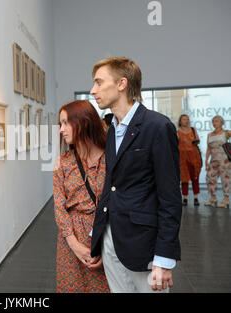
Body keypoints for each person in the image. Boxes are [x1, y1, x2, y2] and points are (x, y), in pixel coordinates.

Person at [89, 57, 182, 293]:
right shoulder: (112, 129)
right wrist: (99, 234)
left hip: (144, 244)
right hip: (111, 239)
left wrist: (164, 257)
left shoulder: (157, 127)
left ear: (121, 83)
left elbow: (170, 197)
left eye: (99, 83)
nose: (93, 90)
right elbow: (112, 184)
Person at [53, 100, 110, 293]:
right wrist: (74, 244)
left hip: (107, 233)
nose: (61, 130)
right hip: (72, 237)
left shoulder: (111, 159)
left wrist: (104, 248)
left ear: (83, 122)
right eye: (60, 124)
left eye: (65, 123)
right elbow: (59, 207)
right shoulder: (62, 162)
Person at [205, 115, 230, 208]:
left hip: (225, 160)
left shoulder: (226, 132)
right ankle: (213, 197)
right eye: (213, 121)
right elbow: (208, 148)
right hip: (213, 159)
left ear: (221, 122)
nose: (215, 123)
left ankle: (226, 199)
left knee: (225, 179)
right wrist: (206, 160)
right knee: (209, 177)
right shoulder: (210, 134)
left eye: (217, 121)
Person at [177, 114, 202, 206]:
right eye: (184, 119)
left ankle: (196, 198)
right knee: (184, 178)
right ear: (180, 121)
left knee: (195, 176)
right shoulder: (177, 132)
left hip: (194, 157)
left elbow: (198, 140)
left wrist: (195, 141)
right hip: (183, 158)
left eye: (187, 119)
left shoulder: (193, 130)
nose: (186, 121)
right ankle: (185, 198)